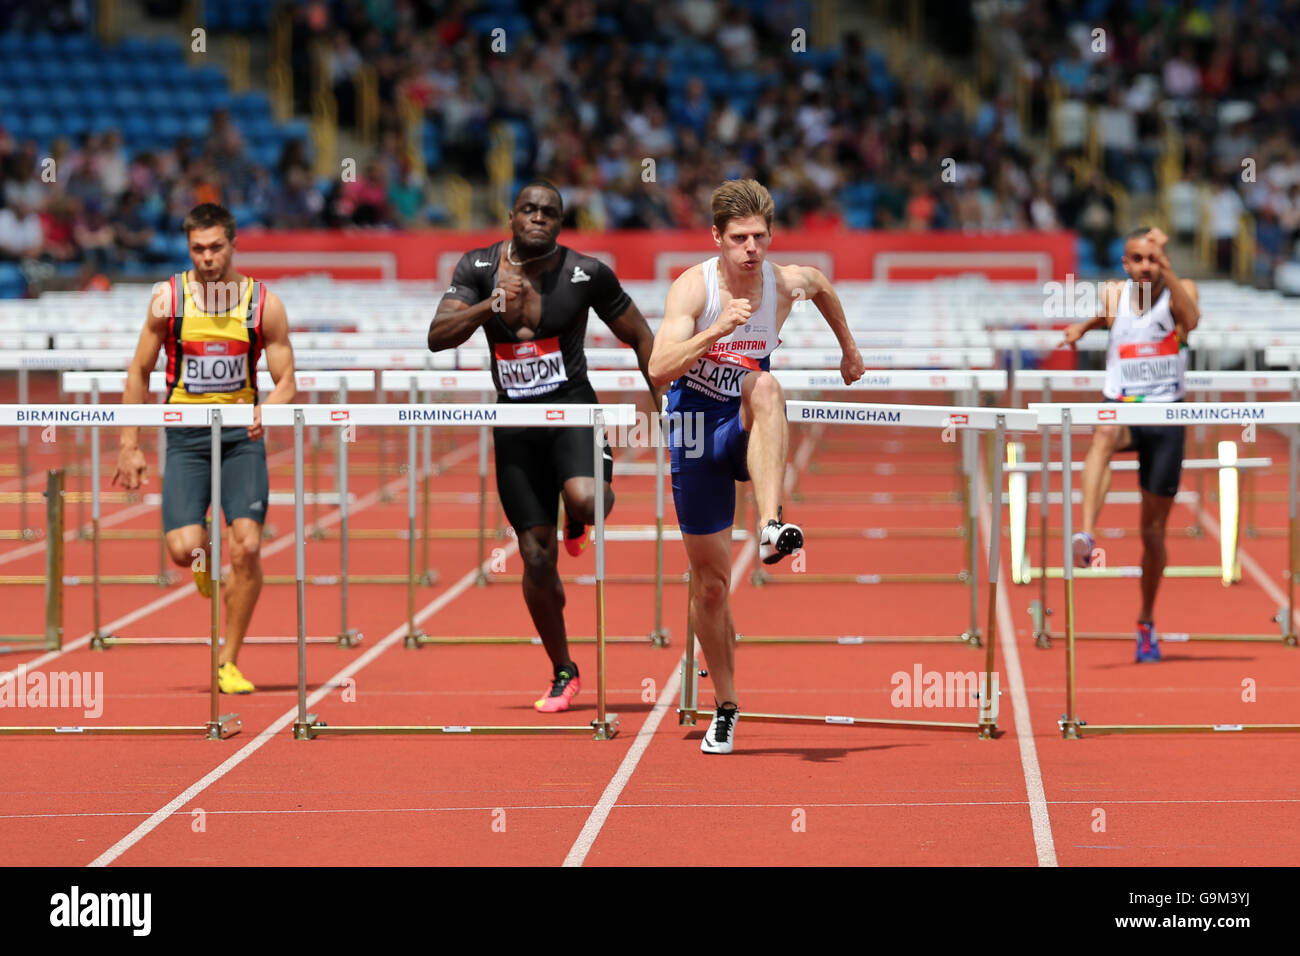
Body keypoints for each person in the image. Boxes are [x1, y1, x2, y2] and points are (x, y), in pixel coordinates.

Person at [648, 179, 865, 753]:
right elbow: (658, 368)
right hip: (695, 430)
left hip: (742, 417)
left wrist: (849, 348)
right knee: (712, 587)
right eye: (739, 238)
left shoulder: (782, 282)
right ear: (716, 237)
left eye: (760, 237)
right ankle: (725, 703)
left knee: (766, 384)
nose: (751, 248)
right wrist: (715, 331)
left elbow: (820, 286)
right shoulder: (692, 290)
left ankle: (771, 523)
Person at [428, 180, 658, 713]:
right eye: (529, 209)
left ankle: (580, 517)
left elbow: (641, 336)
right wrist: (490, 305)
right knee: (534, 555)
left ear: (560, 223)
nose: (538, 218)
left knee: (584, 500)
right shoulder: (477, 268)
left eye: (549, 213)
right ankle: (563, 669)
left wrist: (664, 402)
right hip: (515, 423)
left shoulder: (586, 273)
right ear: (511, 216)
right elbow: (438, 335)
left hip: (573, 410)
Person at [112, 203, 297, 694]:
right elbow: (139, 372)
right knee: (183, 549)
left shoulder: (263, 304)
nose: (208, 257)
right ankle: (203, 553)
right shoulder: (167, 299)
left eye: (216, 247)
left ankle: (228, 661)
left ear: (233, 244)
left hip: (241, 436)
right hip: (187, 435)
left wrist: (270, 407)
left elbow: (287, 379)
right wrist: (129, 445)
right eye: (198, 248)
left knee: (250, 547)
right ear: (188, 247)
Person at [1061, 226, 1199, 663]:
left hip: (1165, 417)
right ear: (1124, 263)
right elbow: (1113, 317)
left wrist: (1169, 269)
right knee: (1102, 434)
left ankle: (1146, 620)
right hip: (1121, 409)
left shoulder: (1182, 290)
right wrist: (1084, 325)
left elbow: (1190, 321)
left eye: (1151, 259)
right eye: (1136, 259)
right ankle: (1085, 533)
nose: (1144, 266)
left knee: (1152, 534)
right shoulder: (1113, 293)